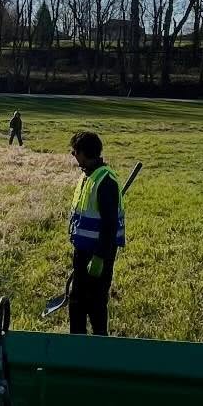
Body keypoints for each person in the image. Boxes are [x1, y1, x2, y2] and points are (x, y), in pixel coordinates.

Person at [66, 132, 124, 336]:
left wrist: (99, 257)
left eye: (75, 151)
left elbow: (109, 225)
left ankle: (100, 346)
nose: (73, 154)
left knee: (96, 303)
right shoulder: (88, 175)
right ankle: (77, 345)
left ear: (84, 153)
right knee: (78, 303)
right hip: (83, 251)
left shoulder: (106, 181)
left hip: (98, 254)